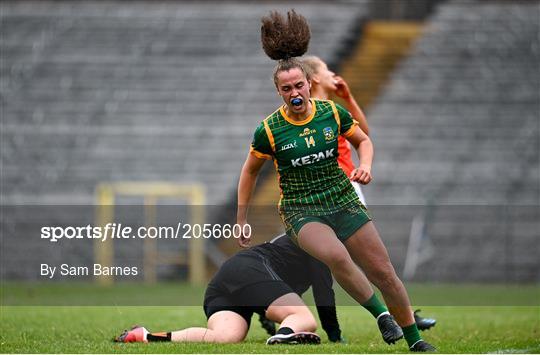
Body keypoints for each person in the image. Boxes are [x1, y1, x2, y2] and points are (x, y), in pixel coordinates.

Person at [236, 10, 435, 352]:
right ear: (279, 92)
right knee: (337, 257)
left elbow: (364, 140)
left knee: (384, 271)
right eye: (287, 89)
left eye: (299, 85)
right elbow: (250, 171)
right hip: (302, 210)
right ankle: (381, 315)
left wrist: (366, 165)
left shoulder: (331, 113)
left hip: (342, 199)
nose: (294, 92)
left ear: (309, 84)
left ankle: (415, 341)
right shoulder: (269, 129)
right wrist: (240, 219)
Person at [115, 241, 322, 345]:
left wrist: (266, 312)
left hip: (228, 277)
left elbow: (274, 289)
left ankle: (146, 336)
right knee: (303, 318)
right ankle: (283, 338)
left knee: (225, 336)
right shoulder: (320, 238)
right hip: (250, 268)